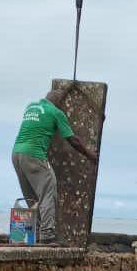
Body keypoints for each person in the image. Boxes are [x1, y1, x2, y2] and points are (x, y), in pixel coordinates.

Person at [11, 85, 98, 244]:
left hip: (16, 154)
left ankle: (33, 233)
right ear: (59, 104)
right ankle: (47, 234)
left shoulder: (31, 107)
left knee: (31, 196)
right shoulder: (56, 113)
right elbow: (73, 140)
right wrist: (89, 154)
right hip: (34, 154)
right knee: (48, 190)